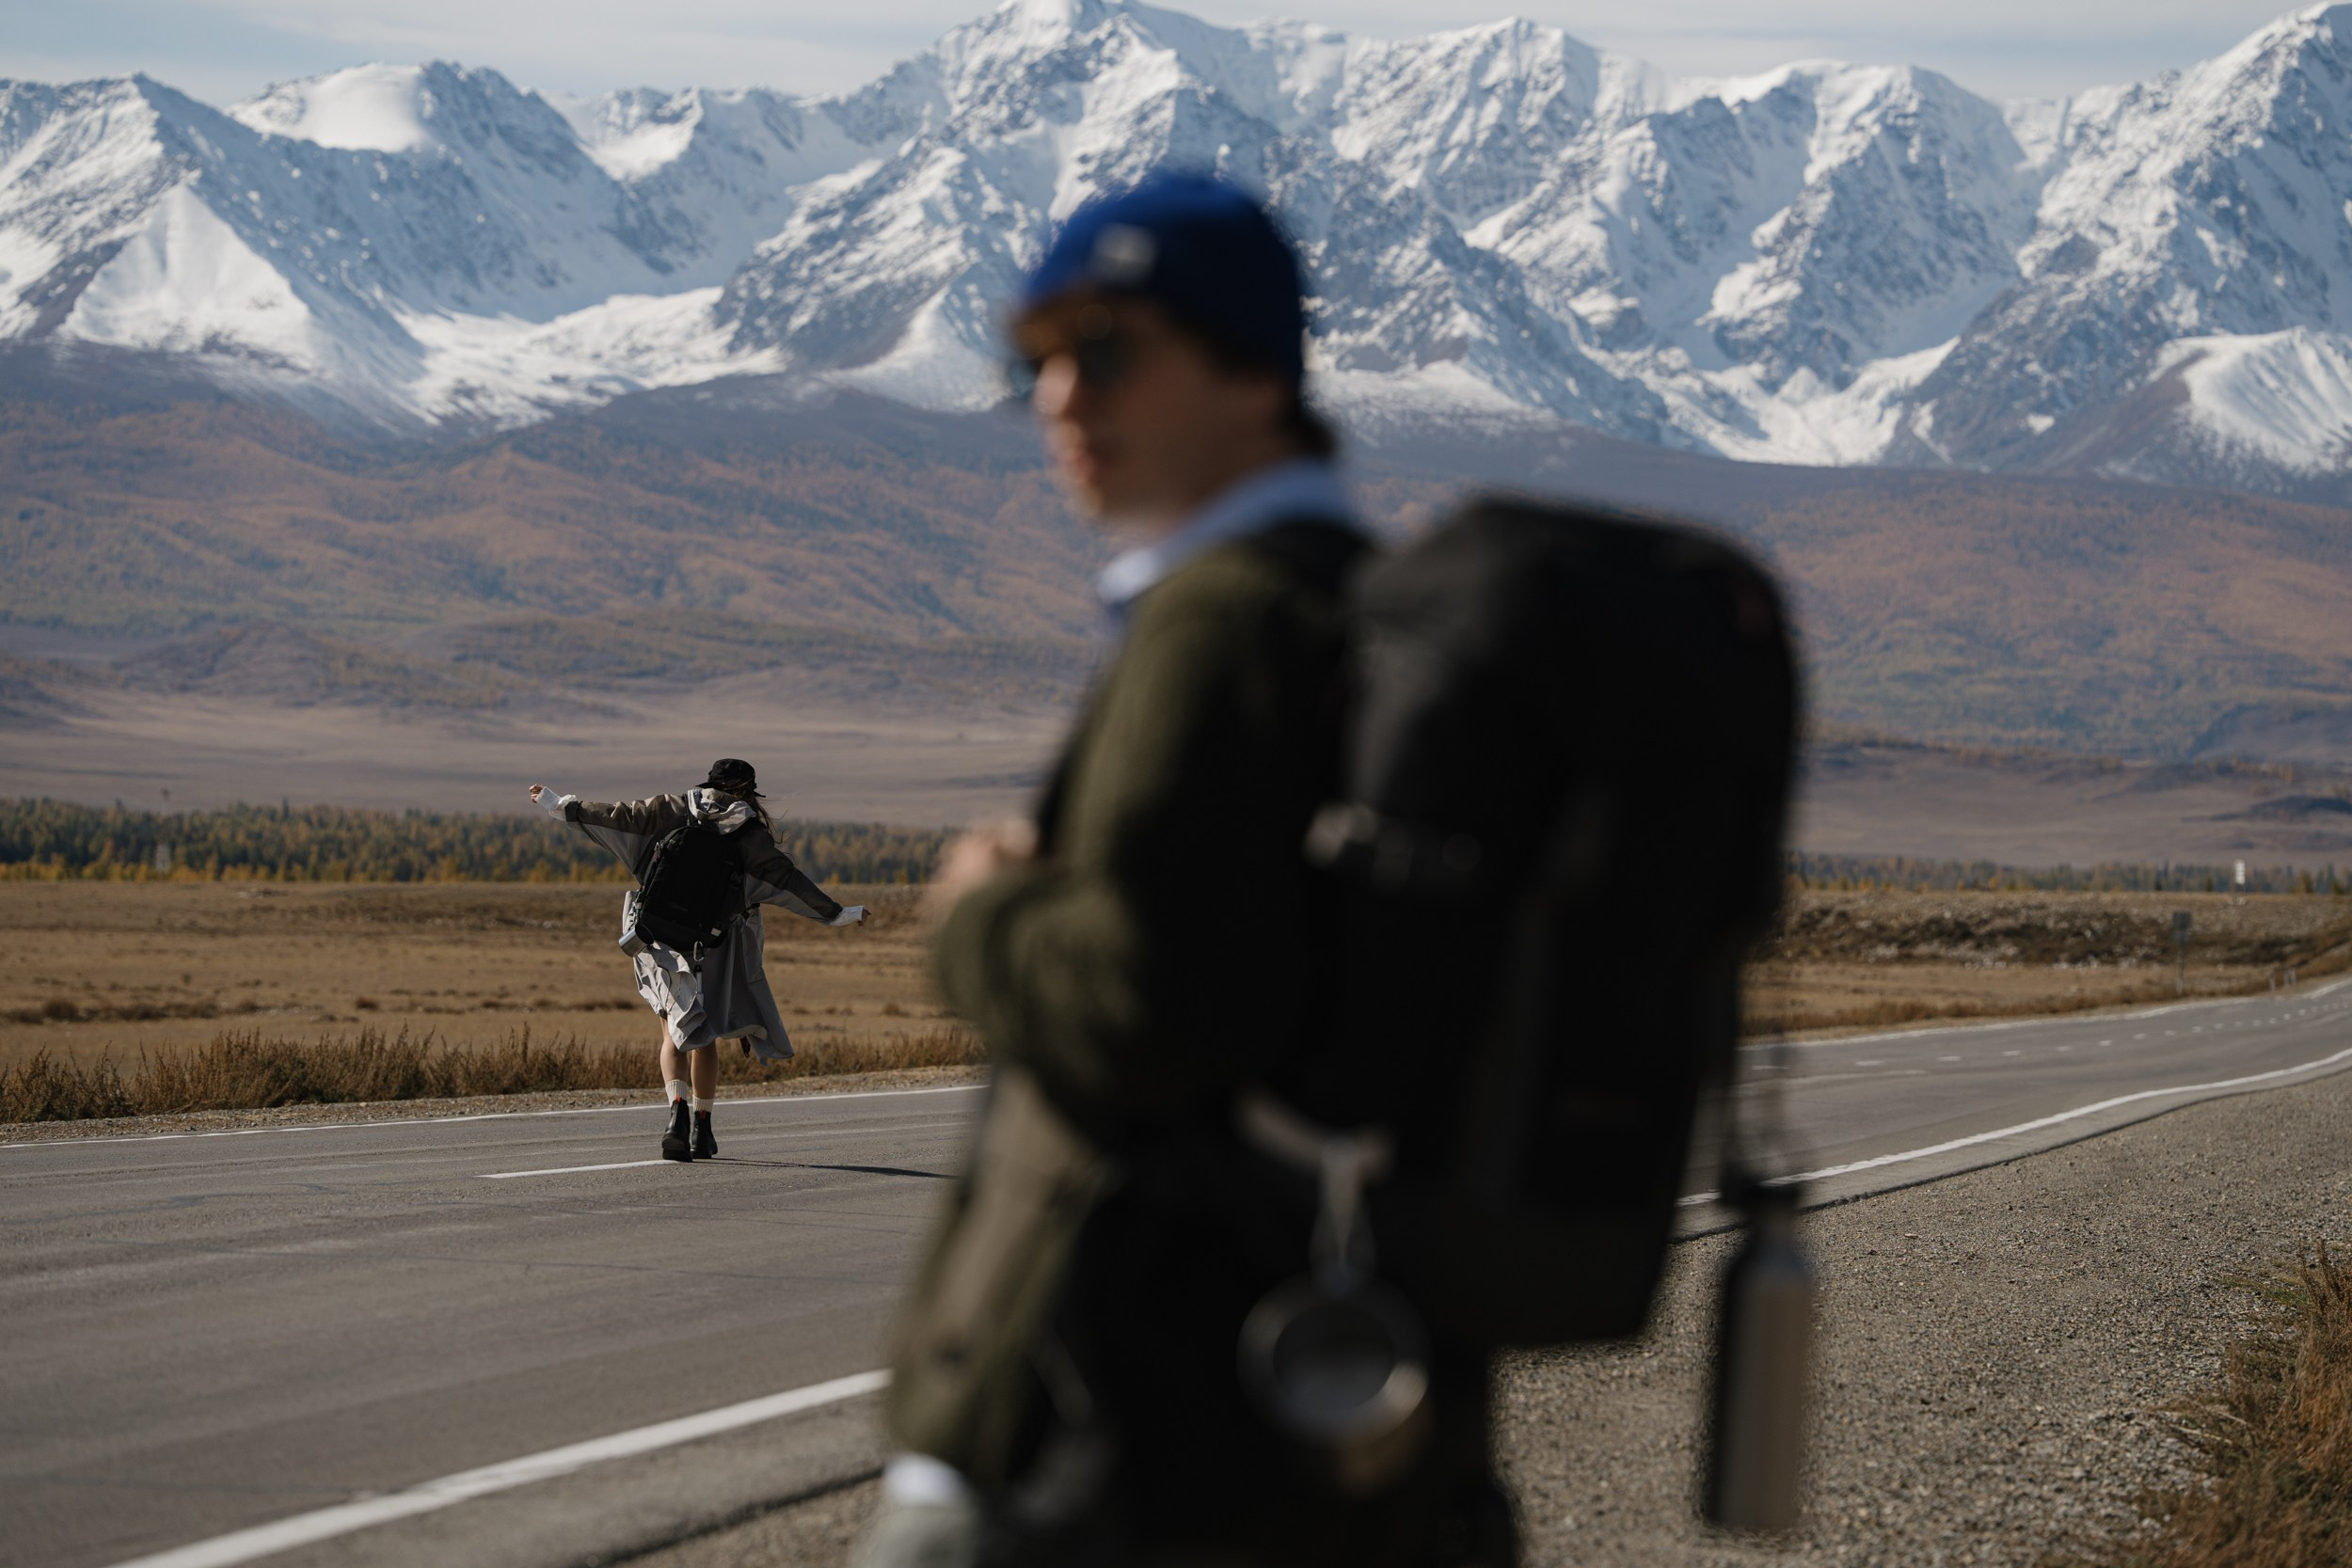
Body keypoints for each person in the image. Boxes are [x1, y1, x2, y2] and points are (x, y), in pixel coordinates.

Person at [856, 175, 1513, 1567]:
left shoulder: (1220, 619)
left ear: (1255, 373)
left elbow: (1148, 1000)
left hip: (1131, 1405)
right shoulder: (1360, 600)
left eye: (1106, 351)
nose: (1060, 398)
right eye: (1035, 362)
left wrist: (981, 914)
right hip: (1310, 1388)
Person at [530, 759, 866, 1162]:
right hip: (713, 943)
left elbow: (614, 816)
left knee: (673, 1031)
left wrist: (558, 804)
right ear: (748, 792)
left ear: (709, 782)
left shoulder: (669, 808)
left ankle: (677, 1115)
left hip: (659, 938)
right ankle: (702, 1129)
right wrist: (838, 914)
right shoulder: (750, 835)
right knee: (704, 1035)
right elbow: (789, 882)